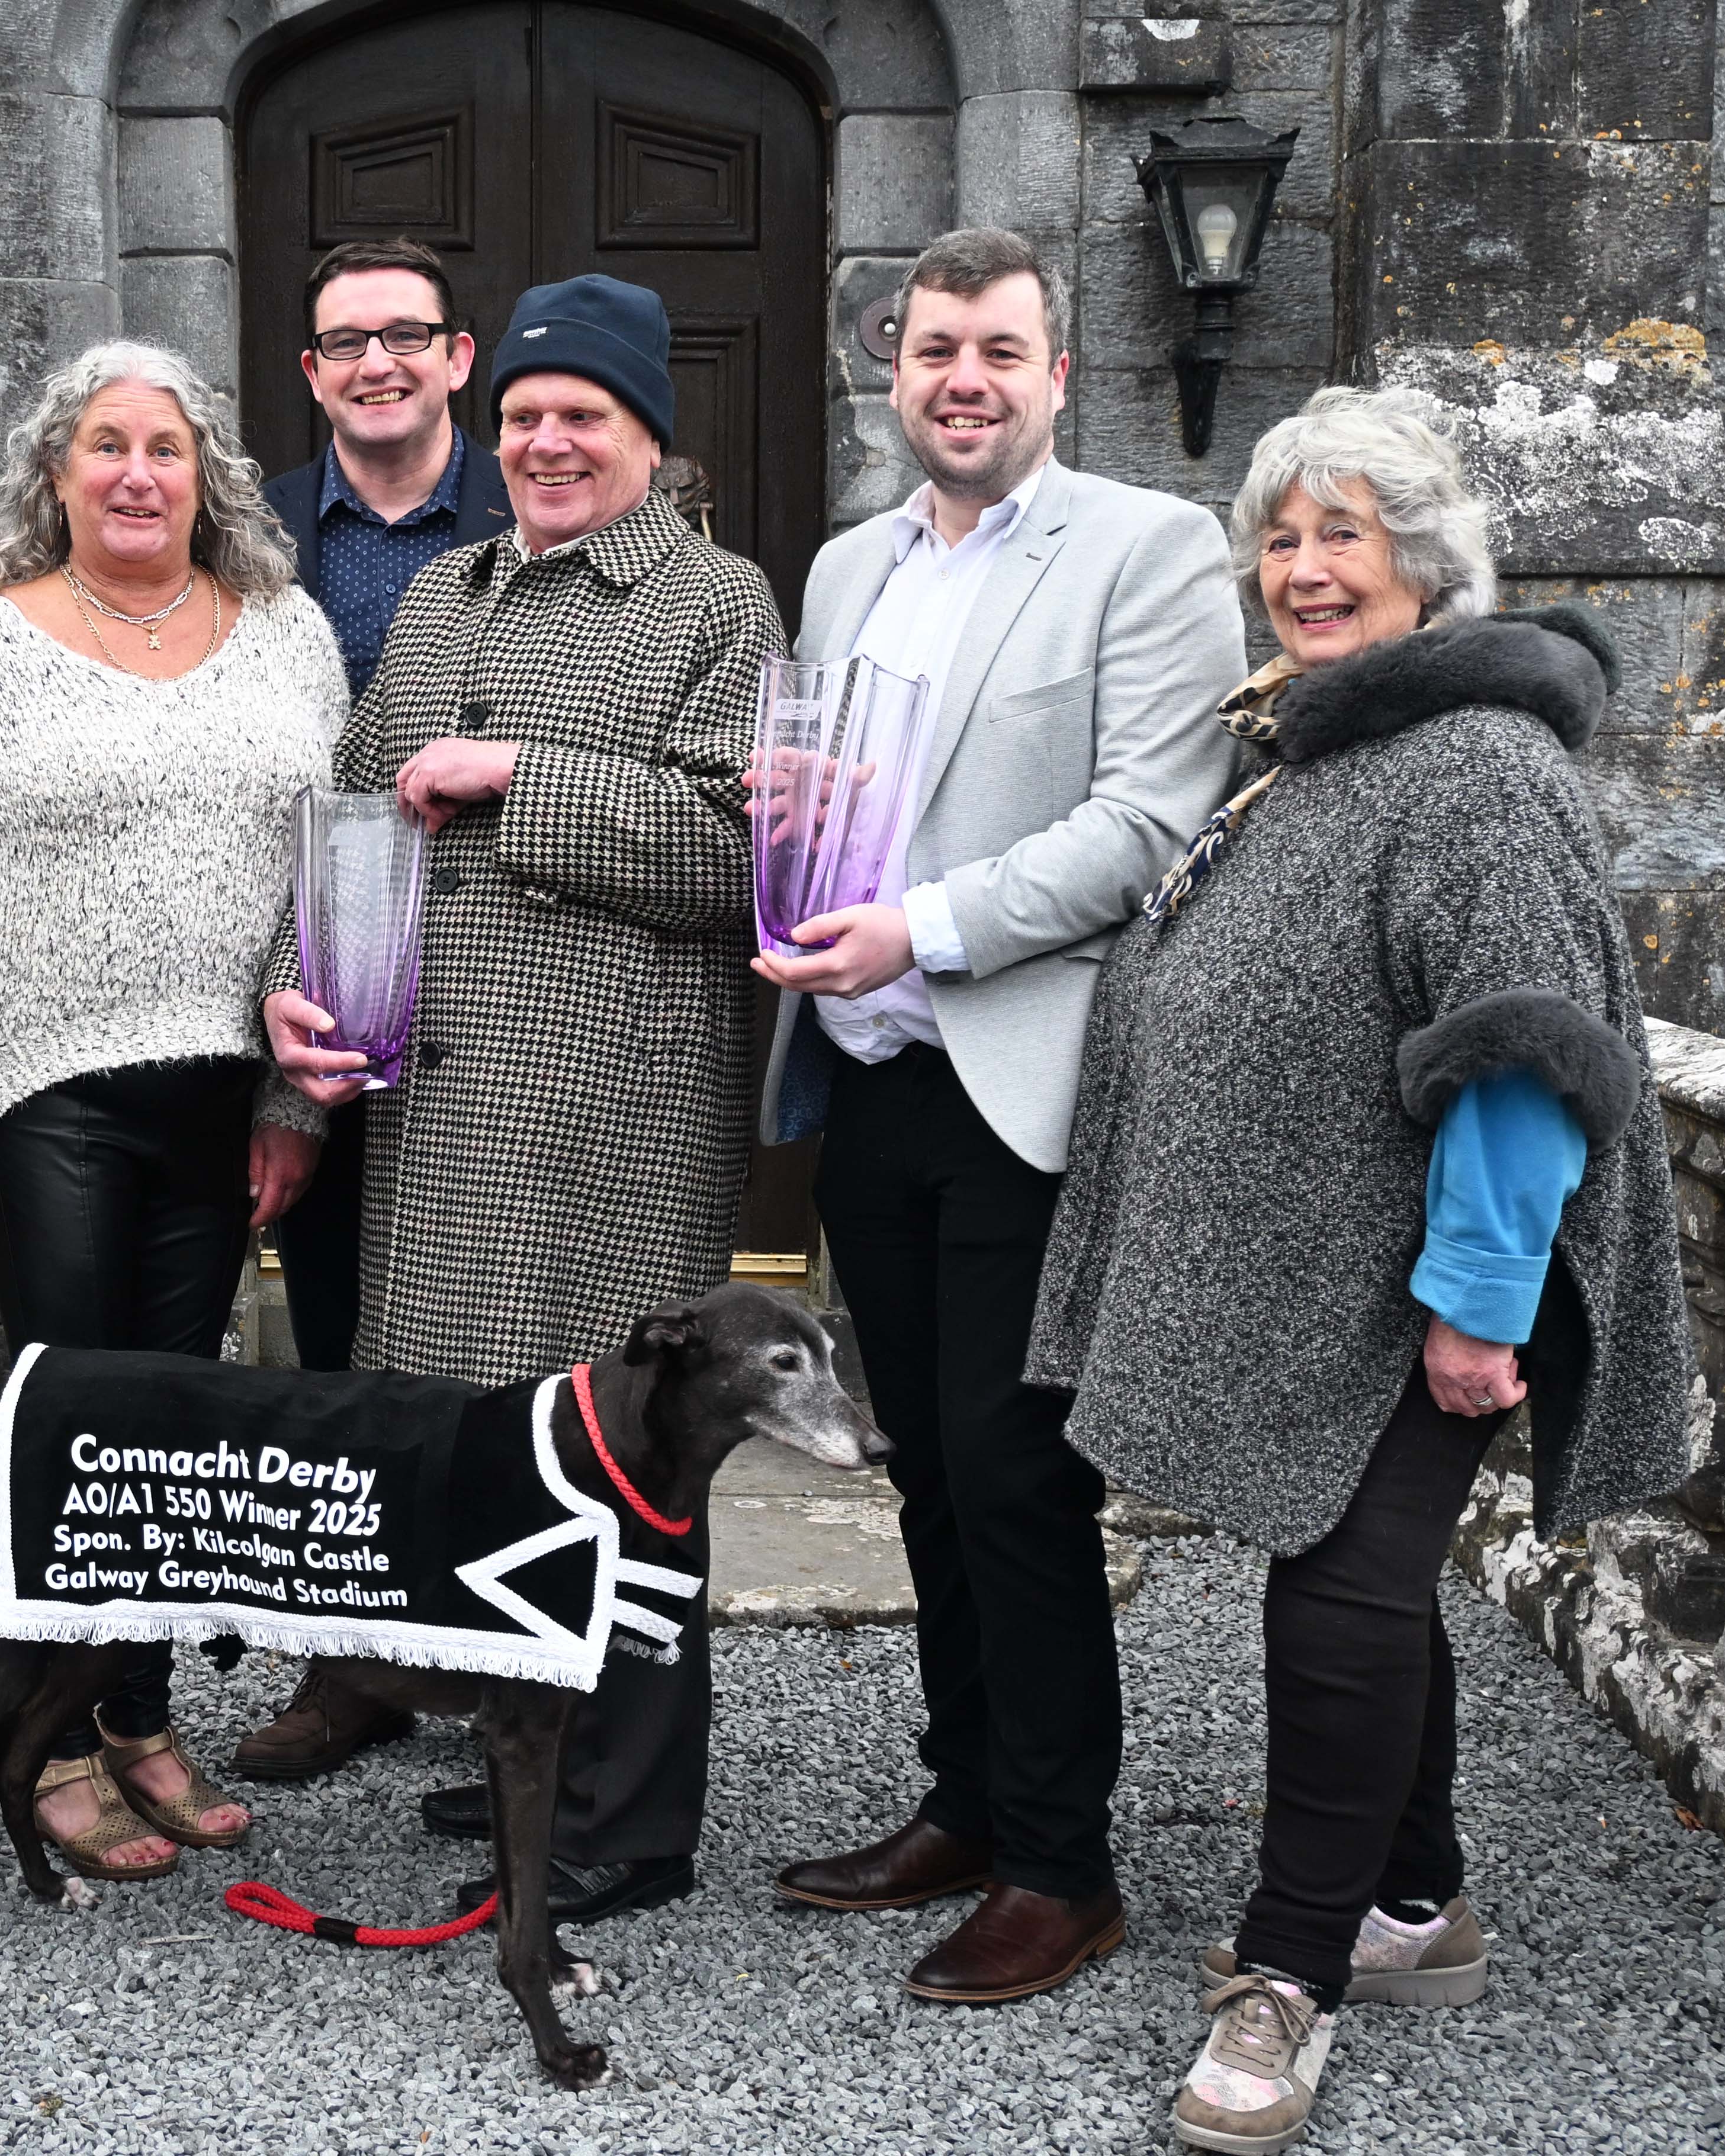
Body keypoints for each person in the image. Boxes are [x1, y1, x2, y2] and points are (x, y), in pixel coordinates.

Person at [1025, 386, 1690, 2150]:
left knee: (1335, 1600)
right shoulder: (1318, 750)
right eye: (1282, 536)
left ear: (1429, 563)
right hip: (1342, 1273)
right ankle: (1414, 1903)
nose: (1304, 568)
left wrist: (1478, 1305)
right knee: (1356, 1579)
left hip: (1430, 1281)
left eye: (1346, 534)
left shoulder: (1474, 766)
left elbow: (1523, 1052)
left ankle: (1291, 1975)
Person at [243, 274, 783, 1923]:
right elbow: (351, 826)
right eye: (529, 417)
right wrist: (296, 1025)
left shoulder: (717, 602)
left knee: (628, 1455)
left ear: (646, 439)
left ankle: (632, 1817)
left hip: (613, 1113)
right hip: (438, 1114)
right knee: (490, 1451)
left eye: (584, 418)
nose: (548, 443)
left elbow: (738, 853)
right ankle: (527, 1763)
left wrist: (518, 777)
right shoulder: (446, 596)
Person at [752, 228, 1244, 2003]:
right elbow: (855, 799)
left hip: (1025, 1087)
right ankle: (964, 1803)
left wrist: (922, 924)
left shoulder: (1149, 549)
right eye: (935, 350)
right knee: (923, 1470)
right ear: (894, 369)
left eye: (999, 352)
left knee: (1017, 1474)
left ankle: (1059, 1863)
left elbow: (1148, 823)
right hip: (868, 1075)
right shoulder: (846, 566)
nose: (964, 380)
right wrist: (794, 820)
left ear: (1056, 374)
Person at [0, 341, 340, 1882]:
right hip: (41, 1092)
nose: (137, 473)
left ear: (207, 479)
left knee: (174, 1425)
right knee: (69, 1420)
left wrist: (295, 1100)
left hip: (220, 1091)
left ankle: (134, 1710)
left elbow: (326, 875)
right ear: (55, 475)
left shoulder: (287, 633)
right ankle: (44, 1732)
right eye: (106, 447)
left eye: (166, 448)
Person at [260, 238, 514, 1380]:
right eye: (347, 342)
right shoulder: (246, 534)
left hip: (490, 988)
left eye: (405, 335)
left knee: (486, 1335)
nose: (378, 362)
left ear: (457, 358)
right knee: (332, 1325)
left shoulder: (538, 504)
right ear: (312, 372)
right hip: (307, 986)